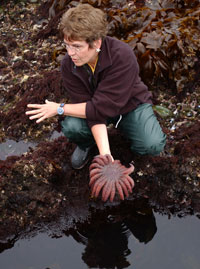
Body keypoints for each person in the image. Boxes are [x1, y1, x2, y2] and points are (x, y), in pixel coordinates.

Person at [26, 3, 166, 169]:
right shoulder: (68, 65)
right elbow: (92, 110)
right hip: (95, 108)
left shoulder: (122, 56)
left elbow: (101, 107)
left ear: (96, 43)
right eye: (67, 45)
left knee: (152, 144)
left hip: (130, 106)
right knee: (72, 126)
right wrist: (106, 157)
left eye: (77, 46)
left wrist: (59, 108)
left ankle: (133, 145)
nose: (70, 53)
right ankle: (87, 144)